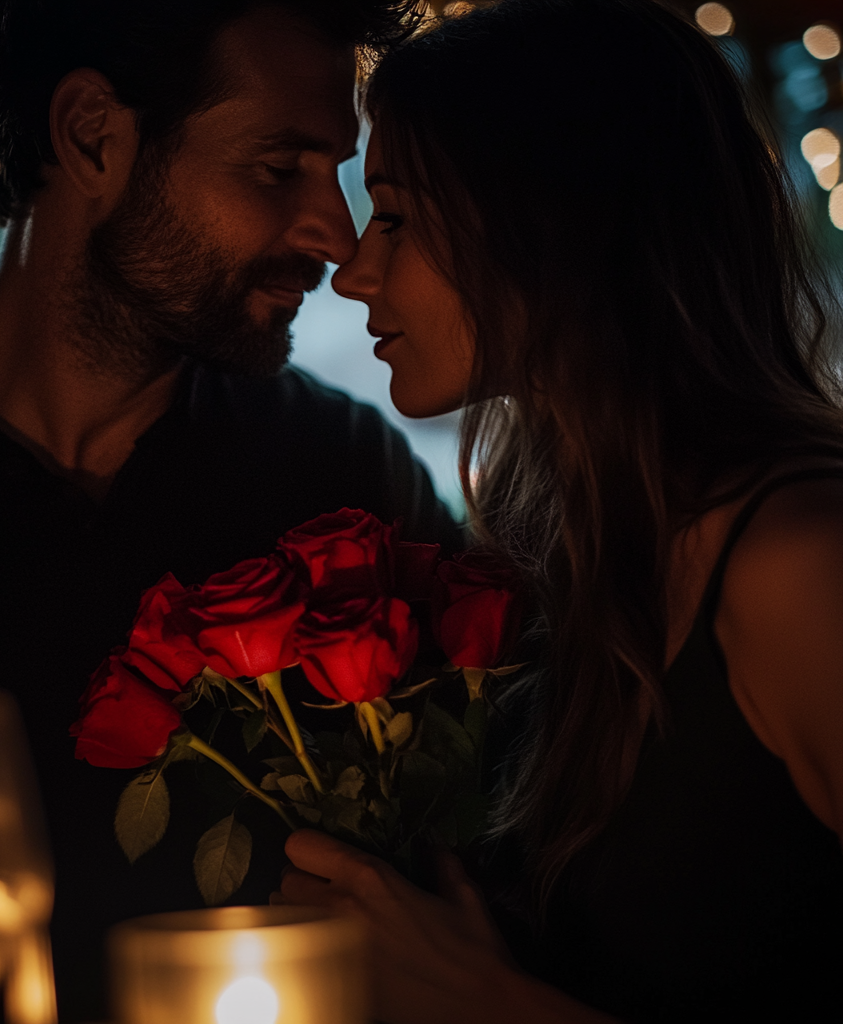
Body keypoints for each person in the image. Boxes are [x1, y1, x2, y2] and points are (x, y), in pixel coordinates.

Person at [0, 1, 461, 1019]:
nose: (336, 237)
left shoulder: (344, 474)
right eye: (277, 167)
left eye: (336, 172)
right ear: (92, 138)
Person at [277, 1, 843, 1021]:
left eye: (396, 217)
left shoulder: (802, 565)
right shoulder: (569, 554)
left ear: (556, 222)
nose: (353, 270)